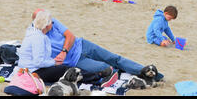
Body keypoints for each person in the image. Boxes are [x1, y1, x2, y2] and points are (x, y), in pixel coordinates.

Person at [31, 9, 164, 81]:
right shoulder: (37, 38)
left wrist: (64, 51)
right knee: (107, 68)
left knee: (115, 58)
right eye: (47, 22)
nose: (51, 23)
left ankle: (149, 73)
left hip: (82, 45)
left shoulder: (53, 22)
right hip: (76, 61)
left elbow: (70, 36)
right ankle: (136, 75)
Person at [18, 10, 118, 86]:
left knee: (61, 68)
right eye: (51, 22)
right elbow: (38, 62)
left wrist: (53, 61)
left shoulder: (37, 33)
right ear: (47, 25)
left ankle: (99, 75)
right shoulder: (38, 38)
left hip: (33, 68)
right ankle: (98, 77)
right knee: (65, 69)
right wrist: (54, 62)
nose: (53, 24)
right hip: (33, 71)